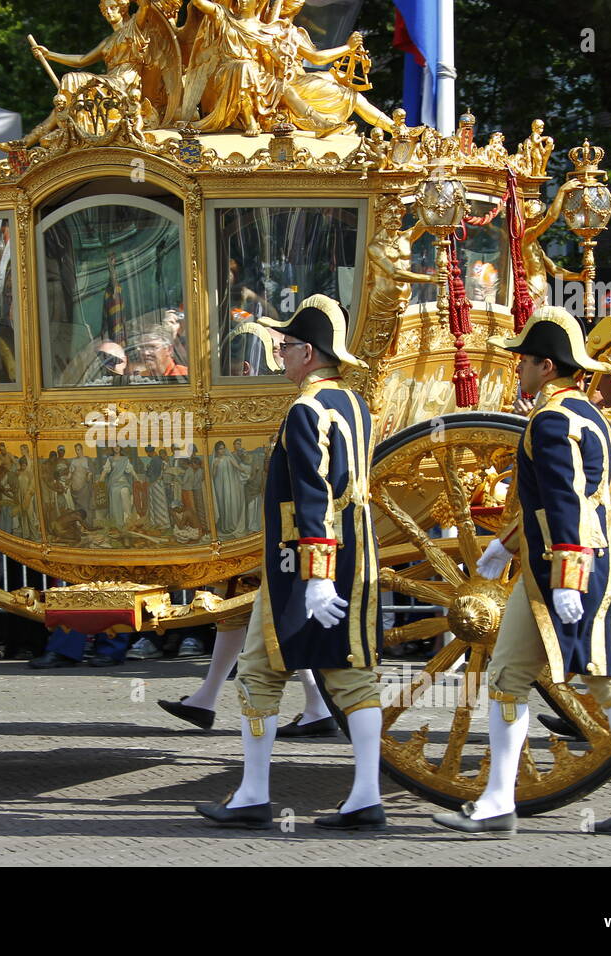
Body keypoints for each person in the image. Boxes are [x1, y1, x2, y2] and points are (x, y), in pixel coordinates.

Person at [433, 307, 611, 837]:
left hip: (567, 571)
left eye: (524, 361)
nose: (518, 368)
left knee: (608, 681)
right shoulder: (589, 414)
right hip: (564, 567)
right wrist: (504, 546)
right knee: (512, 676)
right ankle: (497, 801)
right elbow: (561, 502)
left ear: (544, 365)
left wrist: (568, 575)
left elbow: (567, 503)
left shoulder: (552, 420)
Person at [194, 294, 384, 831]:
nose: (280, 354)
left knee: (257, 670)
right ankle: (364, 793)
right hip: (353, 552)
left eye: (286, 346)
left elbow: (312, 495)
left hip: (303, 562)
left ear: (309, 353)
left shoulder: (306, 409)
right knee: (351, 673)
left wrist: (317, 573)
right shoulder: (353, 403)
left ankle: (254, 793)